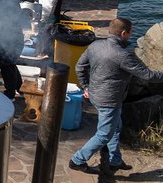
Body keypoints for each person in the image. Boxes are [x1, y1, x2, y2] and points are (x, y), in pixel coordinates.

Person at [70, 18, 163, 174]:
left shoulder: (95, 45)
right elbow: (147, 75)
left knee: (116, 127)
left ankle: (115, 161)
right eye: (130, 32)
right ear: (123, 33)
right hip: (109, 101)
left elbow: (79, 66)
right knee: (104, 134)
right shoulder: (122, 55)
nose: (131, 35)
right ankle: (77, 160)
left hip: (96, 95)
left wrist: (86, 86)